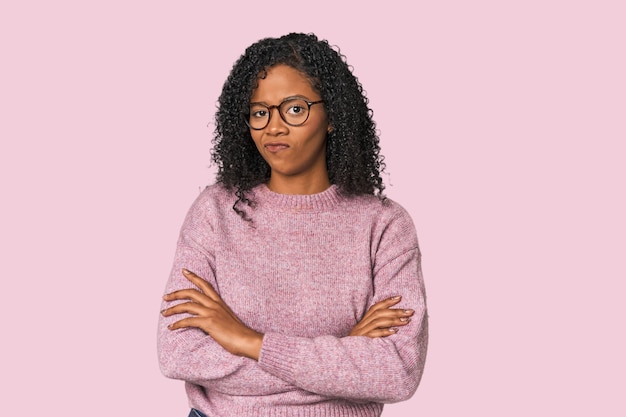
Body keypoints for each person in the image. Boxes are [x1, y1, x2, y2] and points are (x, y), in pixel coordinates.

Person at [158, 32, 428, 417]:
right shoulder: (215, 212)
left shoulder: (385, 225)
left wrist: (248, 341)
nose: (274, 127)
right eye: (259, 112)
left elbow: (397, 371)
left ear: (332, 115)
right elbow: (178, 353)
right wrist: (344, 353)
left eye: (295, 109)